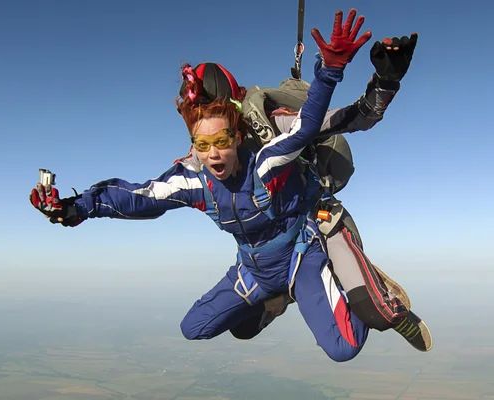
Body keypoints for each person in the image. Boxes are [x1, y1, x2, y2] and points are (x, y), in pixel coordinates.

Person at [30, 8, 389, 363]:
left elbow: (307, 126)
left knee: (344, 347)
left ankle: (345, 280)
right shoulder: (194, 179)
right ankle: (278, 301)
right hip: (254, 269)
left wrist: (329, 72)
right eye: (202, 145)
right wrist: (74, 208)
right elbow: (137, 197)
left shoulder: (265, 162)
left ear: (235, 133)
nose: (213, 154)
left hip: (300, 255)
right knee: (195, 327)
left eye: (221, 141)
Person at [172, 33, 431, 351]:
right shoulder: (204, 153)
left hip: (317, 224)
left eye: (214, 112)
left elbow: (354, 117)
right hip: (276, 251)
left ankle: (385, 305)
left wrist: (385, 81)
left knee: (375, 316)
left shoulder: (273, 124)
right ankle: (283, 295)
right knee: (243, 327)